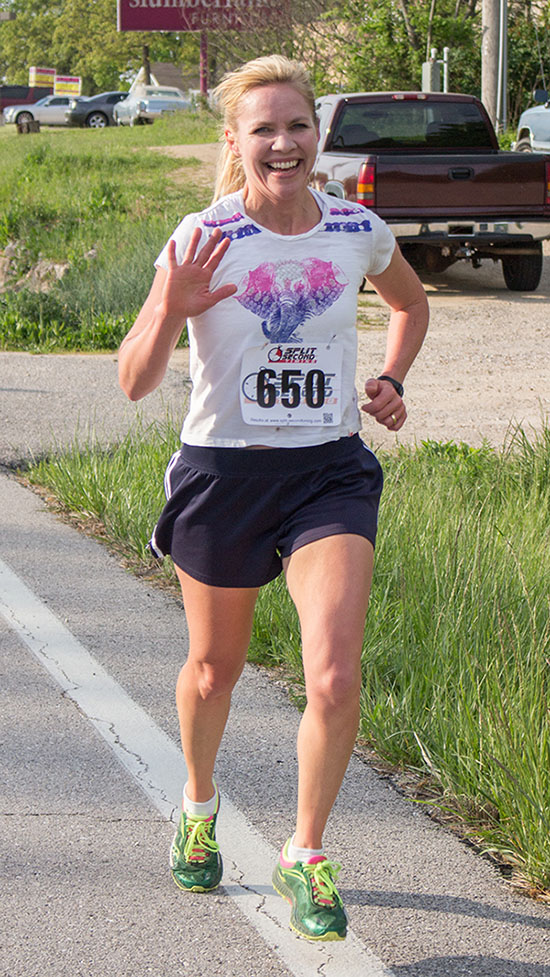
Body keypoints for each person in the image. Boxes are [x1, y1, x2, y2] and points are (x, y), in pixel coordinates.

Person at [118, 54, 428, 942]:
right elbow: (135, 380)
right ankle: (197, 804)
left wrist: (391, 377)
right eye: (264, 129)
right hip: (223, 474)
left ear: (316, 134)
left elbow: (410, 305)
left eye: (298, 125)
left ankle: (307, 851)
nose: (283, 143)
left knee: (332, 674)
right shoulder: (201, 235)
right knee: (213, 670)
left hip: (328, 473)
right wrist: (170, 307)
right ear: (235, 141)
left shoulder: (357, 227)